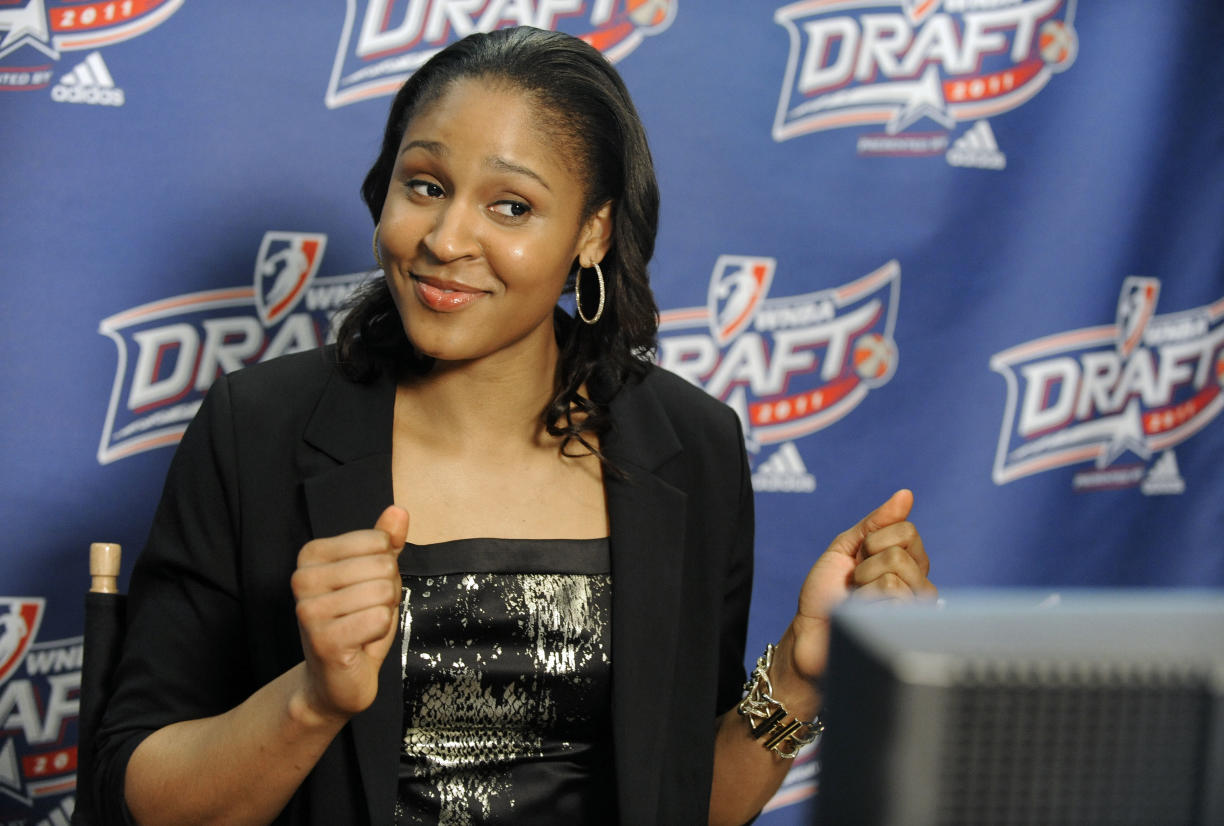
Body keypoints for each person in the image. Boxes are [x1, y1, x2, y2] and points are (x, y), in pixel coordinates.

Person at [94, 26, 935, 826]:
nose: (447, 238)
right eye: (424, 186)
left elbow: (679, 802)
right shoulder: (258, 430)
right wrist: (309, 699)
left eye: (510, 207)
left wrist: (794, 677)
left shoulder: (689, 445)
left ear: (591, 231)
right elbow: (143, 798)